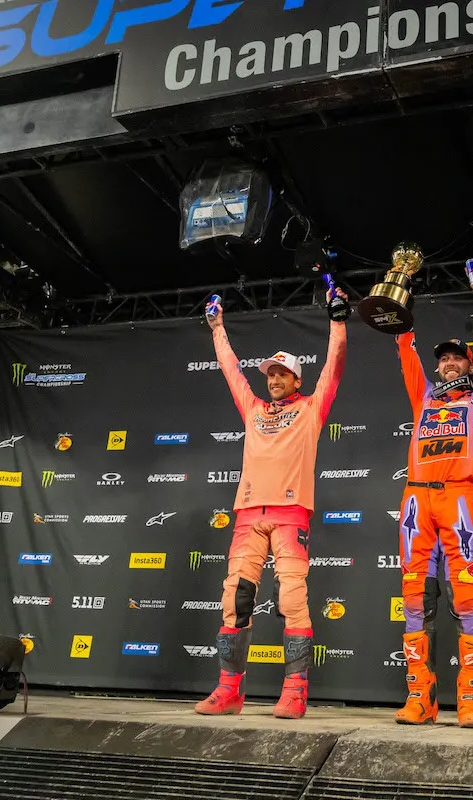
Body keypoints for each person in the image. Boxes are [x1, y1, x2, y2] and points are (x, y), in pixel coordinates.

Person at [195, 287, 348, 719]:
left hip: (290, 514)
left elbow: (334, 369)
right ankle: (229, 691)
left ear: (297, 379)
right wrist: (218, 329)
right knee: (235, 600)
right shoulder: (254, 408)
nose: (275, 379)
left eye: (283, 374)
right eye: (271, 374)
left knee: (292, 599)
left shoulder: (312, 408)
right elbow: (230, 371)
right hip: (247, 515)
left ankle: (295, 692)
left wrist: (337, 320)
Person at [393, 261, 473, 728]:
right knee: (414, 595)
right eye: (443, 359)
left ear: (469, 363)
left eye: (457, 357)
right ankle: (421, 697)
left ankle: (471, 699)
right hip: (416, 500)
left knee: (468, 596)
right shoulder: (424, 399)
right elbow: (404, 347)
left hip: (459, 497)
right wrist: (400, 295)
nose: (448, 363)